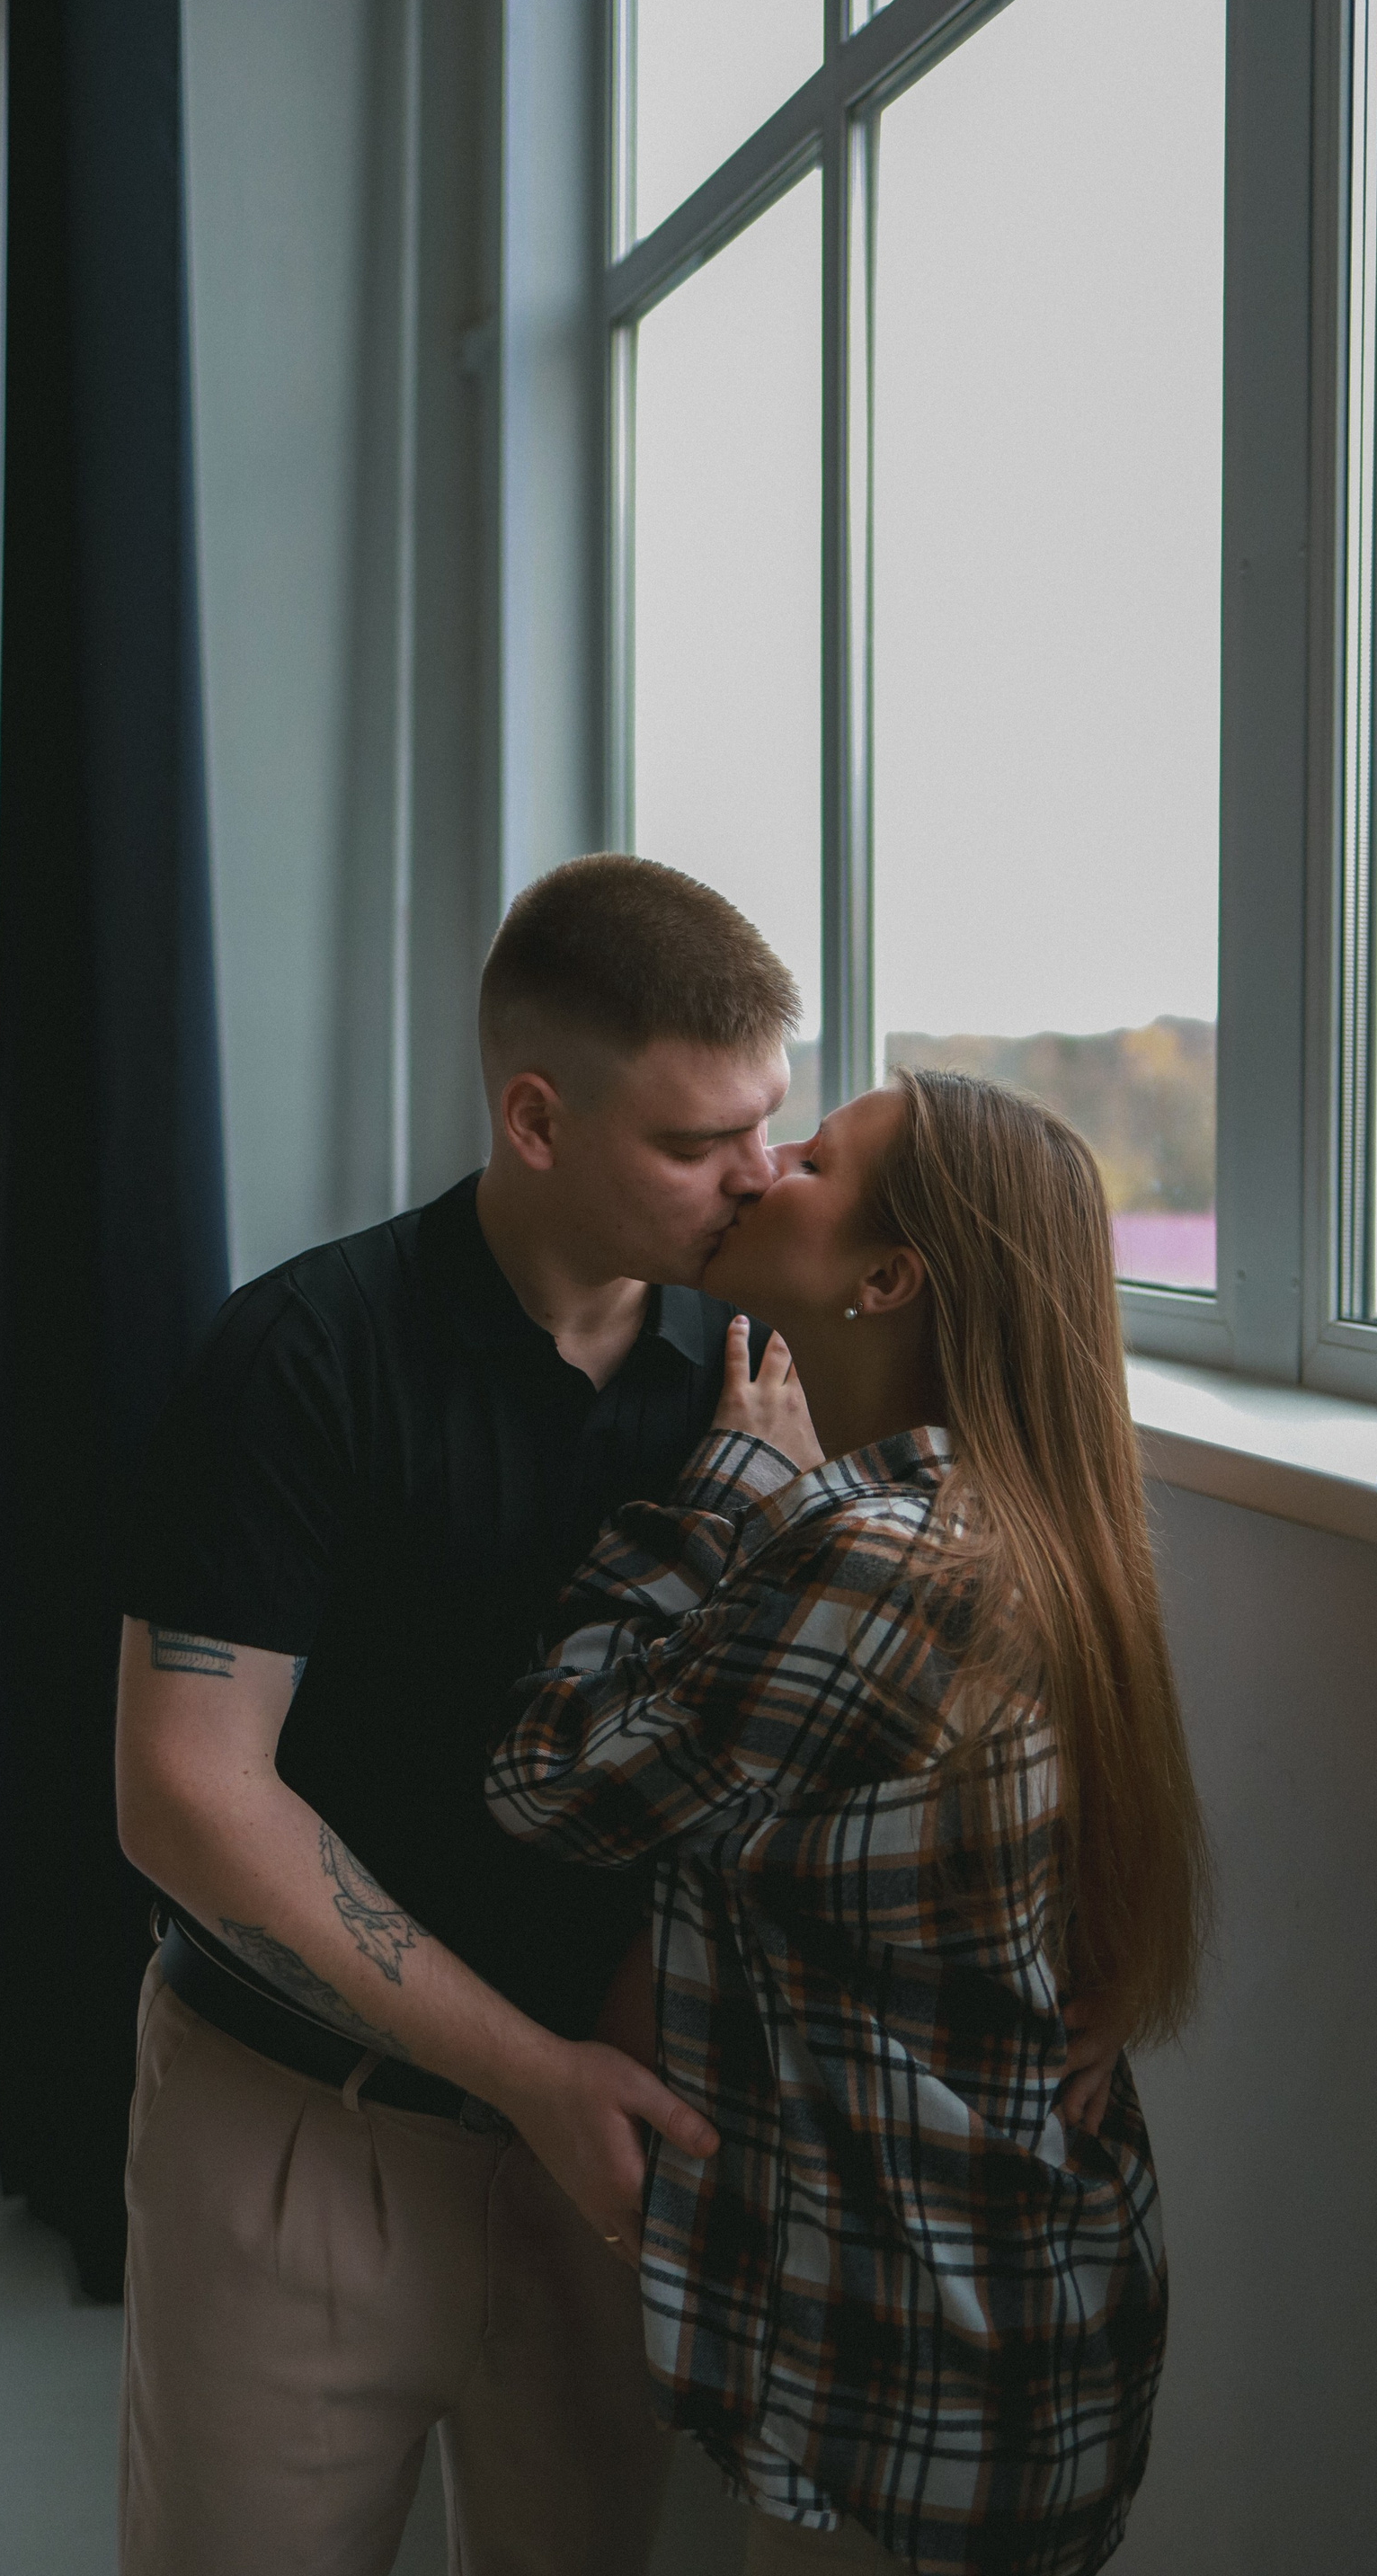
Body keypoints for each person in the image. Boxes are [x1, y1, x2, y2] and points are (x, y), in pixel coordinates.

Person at [112, 855, 804, 2576]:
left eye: (769, 1122)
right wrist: (534, 2076)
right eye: (697, 1142)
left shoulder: (761, 1370)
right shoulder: (301, 1353)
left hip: (613, 2150)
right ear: (536, 1119)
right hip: (299, 2129)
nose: (758, 1176)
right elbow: (185, 1794)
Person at [485, 1070, 1213, 2576]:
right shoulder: (1004, 1518)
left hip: (921, 2381)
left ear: (884, 1283)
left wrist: (726, 1492)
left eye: (811, 1161)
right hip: (989, 2333)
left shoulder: (882, 1566)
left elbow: (545, 1779)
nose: (761, 1170)